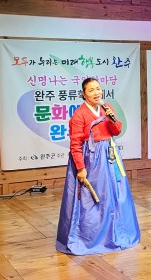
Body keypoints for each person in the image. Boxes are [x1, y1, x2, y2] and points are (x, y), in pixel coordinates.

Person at [56, 77, 141, 254]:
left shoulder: (106, 107)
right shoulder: (79, 115)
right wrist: (81, 168)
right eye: (91, 90)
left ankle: (117, 233)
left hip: (110, 156)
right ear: (83, 94)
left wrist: (111, 119)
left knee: (116, 194)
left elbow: (117, 130)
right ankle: (92, 239)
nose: (96, 93)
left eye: (98, 89)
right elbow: (75, 144)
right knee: (95, 198)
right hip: (92, 160)